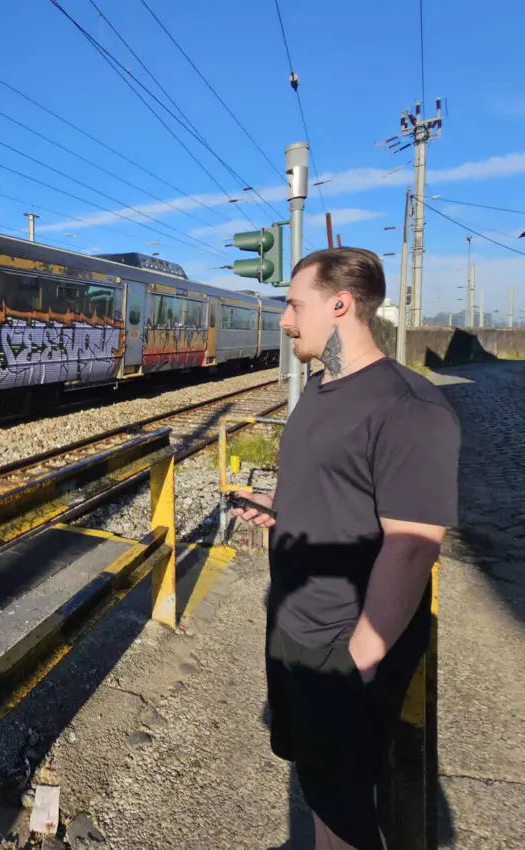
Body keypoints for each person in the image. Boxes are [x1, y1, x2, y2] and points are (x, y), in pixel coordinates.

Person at [231, 247, 460, 850]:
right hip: (294, 630)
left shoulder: (407, 407)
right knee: (319, 786)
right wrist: (278, 510)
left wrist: (358, 658)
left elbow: (413, 547)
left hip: (342, 642)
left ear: (340, 304)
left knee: (347, 809)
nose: (284, 320)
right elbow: (333, 483)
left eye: (293, 304)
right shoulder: (321, 388)